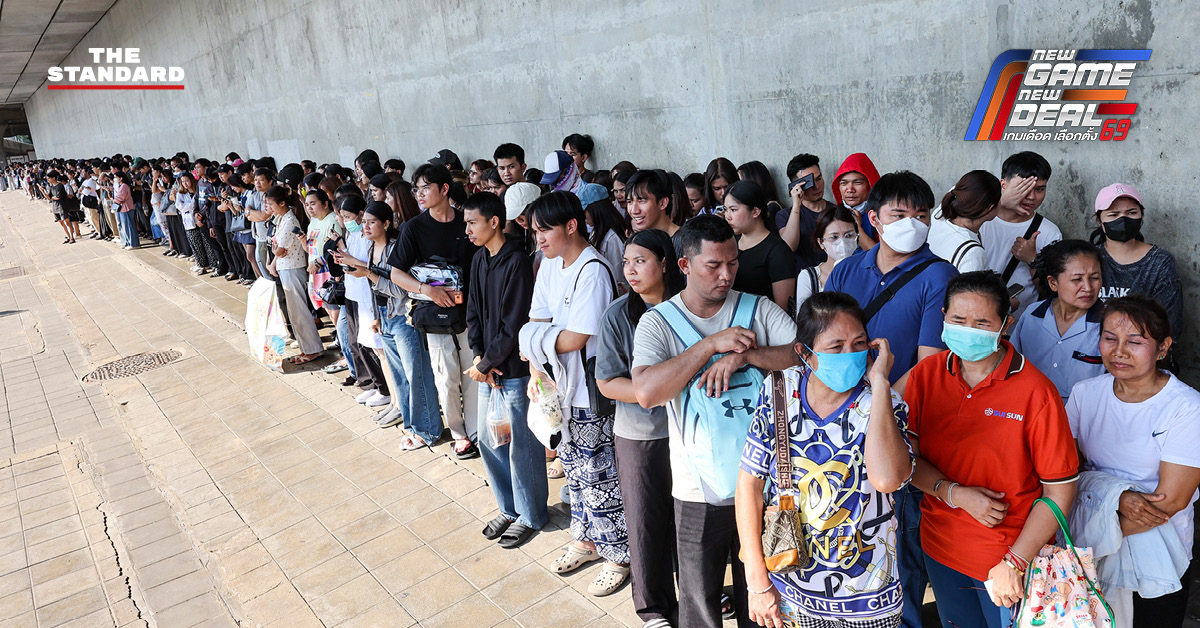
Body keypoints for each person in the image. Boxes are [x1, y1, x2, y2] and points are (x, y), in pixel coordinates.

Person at [632, 214, 798, 628]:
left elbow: (805, 355)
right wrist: (709, 346)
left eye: (733, 263)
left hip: (768, 480)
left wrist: (747, 356)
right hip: (696, 489)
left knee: (763, 588)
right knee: (699, 596)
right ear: (684, 265)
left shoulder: (756, 308)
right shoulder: (658, 322)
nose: (726, 275)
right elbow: (647, 391)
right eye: (714, 265)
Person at [905, 271, 1079, 628]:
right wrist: (954, 493)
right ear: (942, 317)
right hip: (940, 547)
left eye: (982, 321)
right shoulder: (926, 375)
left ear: (1006, 324)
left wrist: (1015, 562)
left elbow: (1059, 490)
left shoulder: (1036, 392)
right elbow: (909, 457)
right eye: (958, 319)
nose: (968, 329)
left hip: (1008, 561)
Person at [822, 170, 957, 628]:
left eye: (922, 215)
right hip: (841, 429)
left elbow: (928, 363)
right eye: (901, 214)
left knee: (899, 544)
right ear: (874, 218)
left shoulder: (938, 274)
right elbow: (825, 344)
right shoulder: (846, 270)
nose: (913, 223)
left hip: (901, 427)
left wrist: (873, 411)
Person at [736, 292, 915, 628]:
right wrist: (757, 581)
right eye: (836, 347)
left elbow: (888, 479)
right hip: (790, 590)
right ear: (805, 353)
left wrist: (879, 384)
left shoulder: (883, 403)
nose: (852, 355)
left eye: (860, 343)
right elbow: (749, 485)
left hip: (868, 599)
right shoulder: (779, 391)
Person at [519, 191, 629, 597]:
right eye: (535, 232)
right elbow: (538, 320)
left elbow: (580, 336)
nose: (539, 240)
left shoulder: (592, 269)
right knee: (573, 469)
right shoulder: (550, 264)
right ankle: (586, 538)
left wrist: (531, 341)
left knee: (599, 471)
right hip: (555, 384)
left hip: (588, 390)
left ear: (571, 226)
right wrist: (536, 363)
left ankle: (619, 553)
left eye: (545, 230)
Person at [1066, 297, 1200, 627]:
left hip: (1158, 555)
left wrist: (1087, 541)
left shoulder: (1185, 407)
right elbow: (1063, 472)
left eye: (1135, 342)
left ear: (1163, 347)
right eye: (1110, 338)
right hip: (1090, 548)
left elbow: (1168, 503)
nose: (1119, 351)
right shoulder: (1085, 394)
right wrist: (1119, 499)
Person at [596, 229, 685, 628]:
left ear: (665, 262)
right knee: (646, 521)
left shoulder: (689, 306)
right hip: (641, 435)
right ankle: (653, 608)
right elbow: (607, 382)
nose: (630, 270)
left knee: (691, 519)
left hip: (690, 430)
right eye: (627, 262)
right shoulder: (618, 315)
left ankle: (702, 591)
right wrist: (657, 391)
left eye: (640, 261)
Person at [463, 191, 548, 549]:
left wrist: (488, 363)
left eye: (472, 222)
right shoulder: (480, 258)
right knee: (488, 438)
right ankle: (508, 508)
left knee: (521, 446)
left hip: (513, 369)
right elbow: (473, 313)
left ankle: (530, 515)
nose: (467, 229)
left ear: (494, 222)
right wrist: (481, 357)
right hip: (490, 369)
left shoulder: (516, 261)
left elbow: (515, 324)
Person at [387, 164, 482, 459]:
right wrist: (427, 290)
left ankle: (477, 430)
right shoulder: (413, 227)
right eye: (417, 189)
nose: (419, 194)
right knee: (446, 376)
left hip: (468, 312)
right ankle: (459, 433)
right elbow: (395, 273)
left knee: (473, 371)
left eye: (426, 188)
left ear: (444, 189)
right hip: (433, 315)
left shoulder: (465, 224)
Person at [1009, 240, 1106, 401]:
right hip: (1031, 411)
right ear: (1053, 283)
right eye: (1077, 280)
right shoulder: (1032, 315)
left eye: (1094, 278)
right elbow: (1012, 365)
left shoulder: (1108, 325)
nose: (1088, 287)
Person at [1091, 182, 1183, 339]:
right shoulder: (1090, 257)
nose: (1123, 220)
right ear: (1099, 220)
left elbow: (1169, 323)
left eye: (1131, 213)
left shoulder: (1160, 261)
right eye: (1113, 215)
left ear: (1141, 216)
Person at [979, 151, 1063, 317]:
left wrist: (1033, 260)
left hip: (1020, 329)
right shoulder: (978, 221)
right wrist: (1000, 202)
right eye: (1023, 188)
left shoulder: (1049, 232)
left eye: (1039, 189)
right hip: (977, 322)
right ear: (1003, 185)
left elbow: (1054, 293)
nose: (1031, 197)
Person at [264, 186, 323, 364]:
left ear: (282, 203)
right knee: (294, 311)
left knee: (299, 311)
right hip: (285, 268)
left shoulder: (290, 220)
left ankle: (312, 349)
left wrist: (276, 252)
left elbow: (280, 250)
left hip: (292, 268)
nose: (269, 207)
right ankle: (307, 347)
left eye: (271, 204)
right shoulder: (281, 218)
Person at [723, 180, 794, 311]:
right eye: (725, 209)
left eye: (733, 210)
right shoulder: (730, 241)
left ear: (755, 211)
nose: (727, 216)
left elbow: (782, 309)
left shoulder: (778, 251)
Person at [927, 170, 1000, 272]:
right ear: (990, 208)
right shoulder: (972, 254)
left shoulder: (940, 214)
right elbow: (970, 289)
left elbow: (961, 189)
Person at [777, 153, 837, 270]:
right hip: (804, 280)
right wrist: (796, 206)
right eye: (809, 183)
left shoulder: (836, 211)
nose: (816, 187)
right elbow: (788, 248)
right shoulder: (785, 215)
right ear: (796, 186)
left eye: (819, 179)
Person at [794, 206, 858, 311]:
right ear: (821, 242)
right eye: (834, 237)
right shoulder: (809, 277)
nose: (843, 243)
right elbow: (804, 320)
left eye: (849, 235)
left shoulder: (869, 270)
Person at [831, 152, 881, 249]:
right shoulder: (831, 216)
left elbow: (882, 260)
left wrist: (857, 228)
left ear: (871, 184)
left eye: (857, 183)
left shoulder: (883, 217)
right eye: (844, 183)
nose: (850, 190)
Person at [625, 169, 678, 237]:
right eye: (629, 202)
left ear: (663, 203)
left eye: (642, 201)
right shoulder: (636, 241)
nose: (634, 211)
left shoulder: (686, 243)